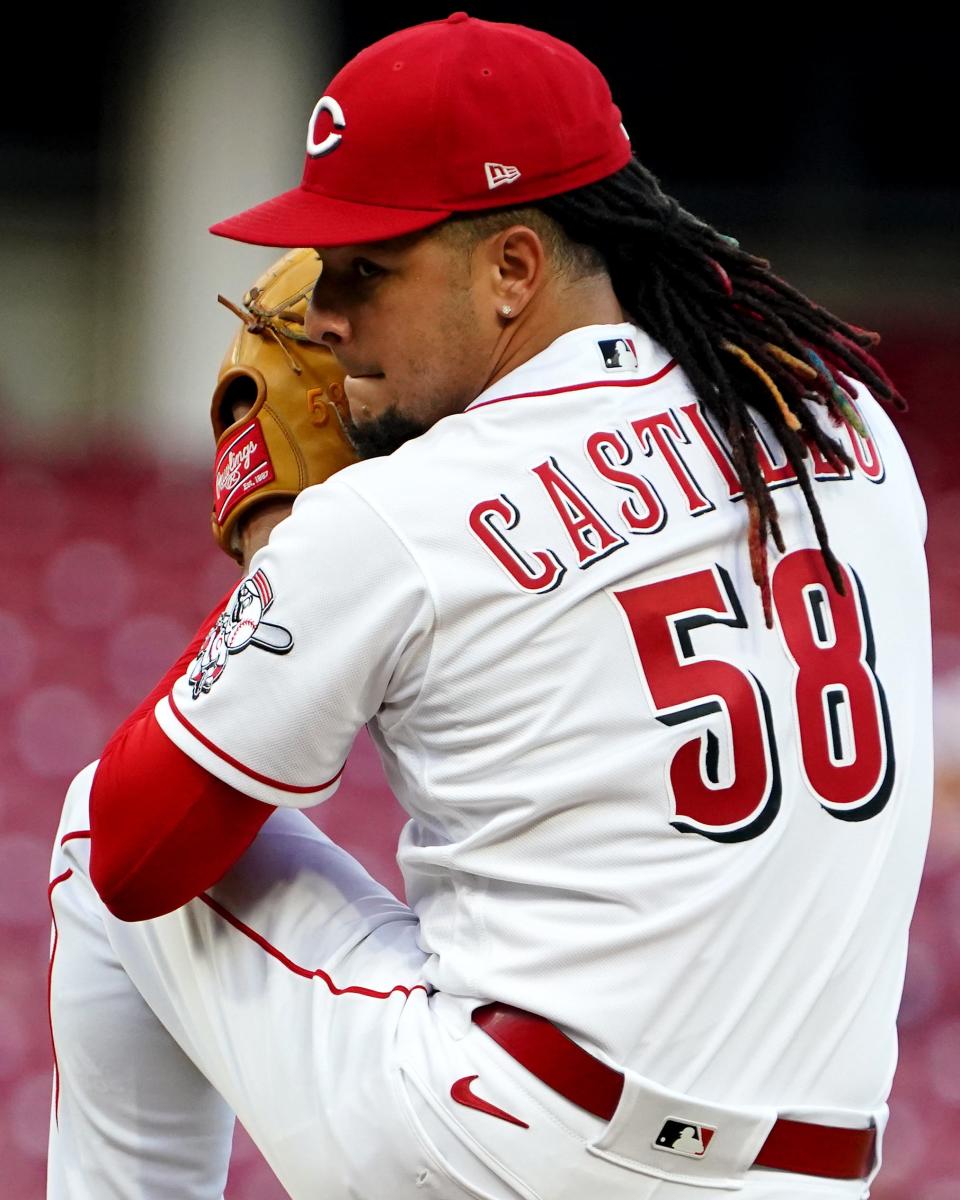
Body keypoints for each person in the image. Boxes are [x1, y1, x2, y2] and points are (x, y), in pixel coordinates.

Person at [47, 14, 932, 1200]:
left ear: (514, 267)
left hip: (516, 1148)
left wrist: (280, 545)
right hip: (815, 1176)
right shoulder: (842, 420)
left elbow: (141, 856)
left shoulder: (402, 513)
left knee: (87, 818)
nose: (321, 316)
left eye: (368, 269)